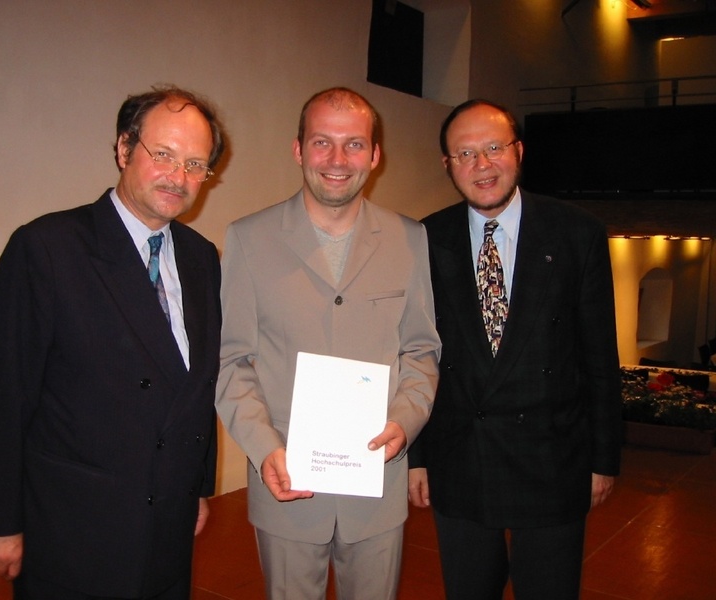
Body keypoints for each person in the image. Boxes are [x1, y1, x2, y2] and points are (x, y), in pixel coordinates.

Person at [0, 84, 225, 599]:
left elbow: (197, 386)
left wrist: (196, 486)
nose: (179, 177)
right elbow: (0, 394)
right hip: (73, 524)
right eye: (165, 155)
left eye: (196, 165)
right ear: (124, 149)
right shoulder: (47, 248)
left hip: (167, 522)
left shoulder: (201, 258)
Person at [216, 87, 440, 600]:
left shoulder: (410, 239)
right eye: (322, 142)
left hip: (377, 479)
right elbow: (232, 360)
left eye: (354, 144)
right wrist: (263, 447)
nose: (338, 160)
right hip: (286, 480)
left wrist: (405, 422)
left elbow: (422, 349)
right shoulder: (249, 239)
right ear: (299, 149)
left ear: (375, 155)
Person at [408, 99, 622, 600]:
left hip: (553, 458)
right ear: (448, 165)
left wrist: (603, 458)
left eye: (493, 148)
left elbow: (599, 357)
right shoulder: (423, 237)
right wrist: (416, 458)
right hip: (460, 458)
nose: (481, 165)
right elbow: (413, 355)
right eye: (465, 154)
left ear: (518, 151)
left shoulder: (577, 233)